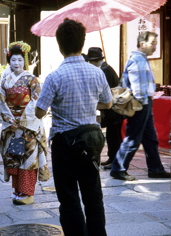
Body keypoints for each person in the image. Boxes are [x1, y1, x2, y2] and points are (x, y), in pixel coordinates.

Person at [35, 18, 112, 236]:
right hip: (90, 140)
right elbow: (107, 103)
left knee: (68, 197)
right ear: (82, 43)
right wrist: (88, 102)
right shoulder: (97, 72)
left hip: (64, 142)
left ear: (60, 46)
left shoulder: (54, 76)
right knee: (93, 195)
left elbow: (39, 111)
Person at [110, 31, 171, 181]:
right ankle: (118, 168)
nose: (155, 47)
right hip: (140, 103)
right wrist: (141, 105)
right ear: (142, 44)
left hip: (144, 103)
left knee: (150, 138)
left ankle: (155, 168)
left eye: (156, 44)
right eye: (153, 44)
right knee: (133, 138)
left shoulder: (141, 59)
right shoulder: (138, 60)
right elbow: (138, 87)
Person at [0, 41, 50, 205]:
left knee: (28, 158)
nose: (16, 63)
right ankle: (18, 190)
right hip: (12, 125)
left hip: (28, 125)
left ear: (25, 61)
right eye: (13, 60)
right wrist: (10, 120)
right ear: (9, 61)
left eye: (20, 60)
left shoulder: (31, 79)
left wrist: (23, 120)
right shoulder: (5, 79)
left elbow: (37, 100)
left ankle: (28, 193)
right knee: (14, 157)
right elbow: (1, 101)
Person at [86, 47, 123, 169]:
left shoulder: (105, 71)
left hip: (113, 109)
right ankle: (112, 158)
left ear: (93, 61)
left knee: (114, 136)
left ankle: (115, 160)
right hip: (113, 108)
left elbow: (104, 90)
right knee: (112, 135)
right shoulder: (105, 68)